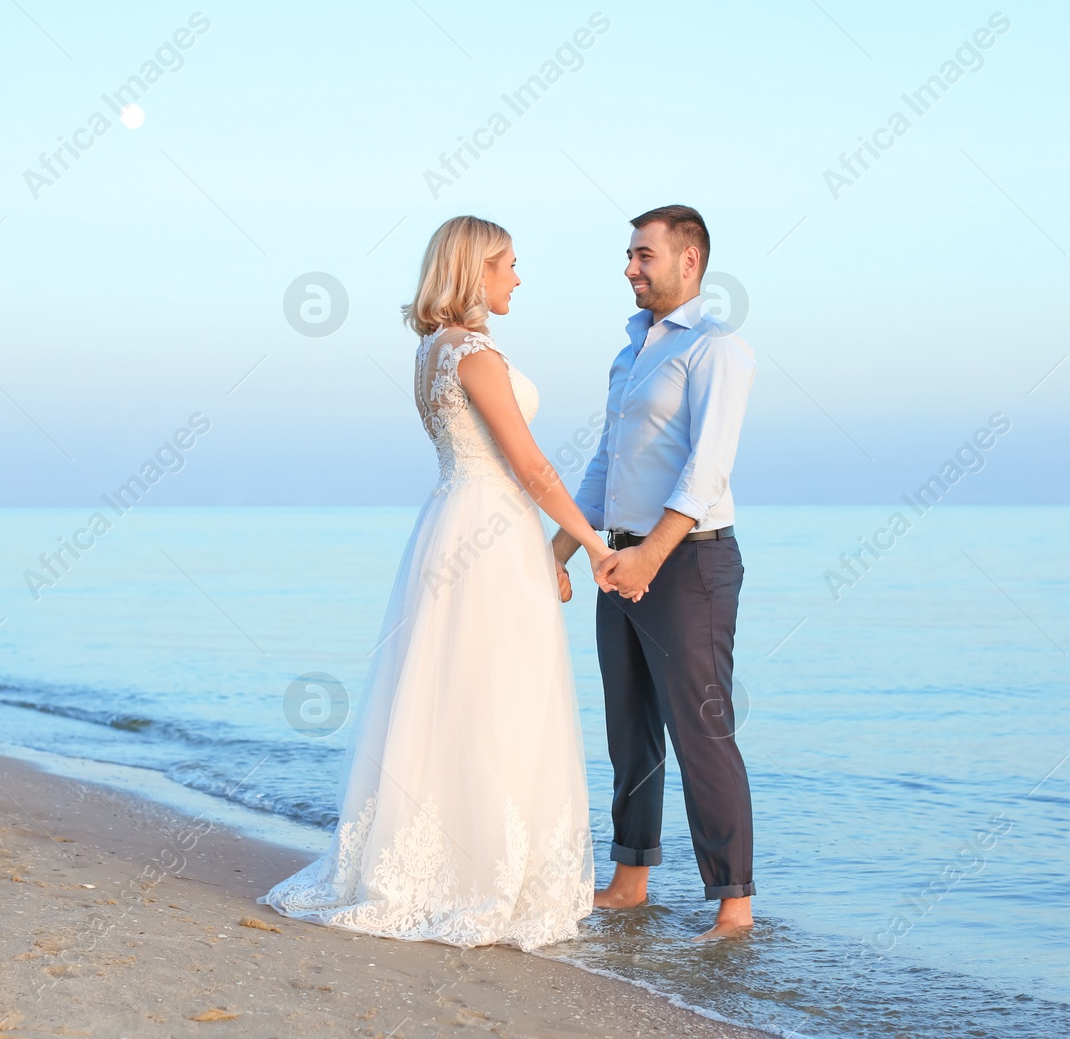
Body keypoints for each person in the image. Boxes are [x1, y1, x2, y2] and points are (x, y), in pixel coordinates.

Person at [261, 215, 616, 950]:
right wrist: (592, 545)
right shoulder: (475, 355)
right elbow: (534, 467)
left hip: (457, 522)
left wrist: (549, 549)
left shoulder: (431, 351)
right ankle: (481, 872)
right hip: (489, 532)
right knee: (495, 697)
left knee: (454, 692)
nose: (518, 277)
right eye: (510, 263)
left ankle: (453, 853)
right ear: (474, 270)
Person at [552, 205, 759, 941]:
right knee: (629, 727)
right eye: (630, 255)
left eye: (644, 255)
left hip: (690, 559)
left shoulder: (716, 348)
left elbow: (708, 468)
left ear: (689, 261)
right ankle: (630, 879)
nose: (630, 267)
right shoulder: (631, 352)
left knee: (701, 727)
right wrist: (566, 546)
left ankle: (733, 904)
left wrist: (650, 554)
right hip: (622, 556)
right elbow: (607, 462)